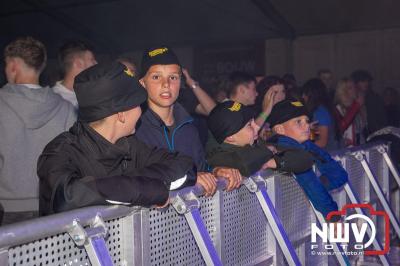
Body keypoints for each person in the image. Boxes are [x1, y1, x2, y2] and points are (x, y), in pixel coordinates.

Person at [38, 62, 197, 215]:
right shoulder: (61, 152)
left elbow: (186, 166)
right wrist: (142, 189)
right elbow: (66, 198)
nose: (141, 111)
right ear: (121, 114)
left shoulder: (129, 146)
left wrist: (134, 185)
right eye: (138, 105)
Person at [136, 46, 241, 196]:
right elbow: (133, 177)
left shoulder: (189, 127)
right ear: (142, 83)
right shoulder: (133, 128)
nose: (166, 84)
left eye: (173, 77)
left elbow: (200, 169)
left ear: (180, 82)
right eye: (156, 77)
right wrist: (189, 179)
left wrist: (217, 171)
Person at [0, 36, 76, 224]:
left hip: (5, 210)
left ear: (13, 66)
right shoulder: (66, 108)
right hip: (51, 209)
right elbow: (74, 161)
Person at [267, 99, 348, 221]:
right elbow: (310, 183)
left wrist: (320, 183)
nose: (306, 125)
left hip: (298, 216)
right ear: (280, 129)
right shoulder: (287, 151)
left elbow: (339, 173)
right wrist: (333, 217)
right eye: (298, 122)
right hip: (286, 218)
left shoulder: (306, 145)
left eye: (307, 121)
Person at [206, 101, 314, 177]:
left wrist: (273, 162)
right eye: (249, 125)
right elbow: (243, 162)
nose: (256, 127)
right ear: (230, 137)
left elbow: (305, 158)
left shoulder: (256, 145)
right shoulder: (216, 156)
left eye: (253, 122)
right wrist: (269, 150)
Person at [53, 40, 97, 109]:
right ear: (78, 63)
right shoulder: (54, 100)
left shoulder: (90, 94)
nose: (96, 63)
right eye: (92, 59)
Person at [302, 78, 338, 151]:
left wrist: (302, 146)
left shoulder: (320, 112)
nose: (303, 96)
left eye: (305, 93)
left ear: (312, 95)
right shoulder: (322, 109)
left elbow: (322, 142)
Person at [351, 70, 388, 136]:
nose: (366, 83)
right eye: (362, 81)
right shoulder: (350, 99)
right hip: (357, 135)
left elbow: (382, 118)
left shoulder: (375, 98)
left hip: (375, 134)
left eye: (367, 81)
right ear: (355, 83)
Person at [333, 78, 366, 147]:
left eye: (354, 87)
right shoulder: (338, 108)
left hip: (359, 147)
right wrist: (356, 106)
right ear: (343, 91)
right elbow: (340, 127)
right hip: (345, 149)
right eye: (350, 88)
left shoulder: (357, 106)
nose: (354, 90)